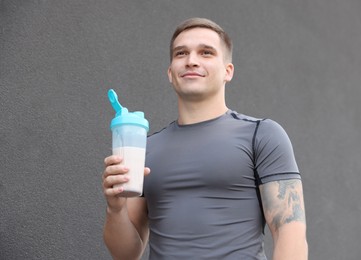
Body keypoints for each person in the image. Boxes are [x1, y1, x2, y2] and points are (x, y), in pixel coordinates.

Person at [102, 17, 308, 260]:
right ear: (170, 73)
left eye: (206, 53)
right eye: (181, 53)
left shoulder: (262, 135)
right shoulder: (148, 148)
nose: (191, 61)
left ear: (228, 71)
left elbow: (289, 232)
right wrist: (115, 209)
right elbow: (126, 254)